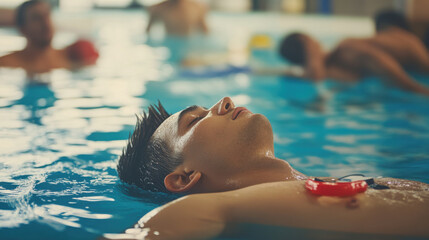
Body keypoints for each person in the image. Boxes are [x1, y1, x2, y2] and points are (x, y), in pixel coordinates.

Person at [109, 97, 429, 239]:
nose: (225, 102)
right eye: (194, 120)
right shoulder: (199, 209)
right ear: (184, 178)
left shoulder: (335, 182)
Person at [278, 28, 429, 96]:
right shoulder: (333, 69)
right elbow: (316, 76)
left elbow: (389, 67)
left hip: (413, 52)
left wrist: (420, 91)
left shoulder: (346, 49)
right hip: (409, 60)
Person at [0, 0, 99, 76]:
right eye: (37, 18)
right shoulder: (5, 63)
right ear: (23, 29)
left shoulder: (72, 57)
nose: (46, 23)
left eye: (47, 15)